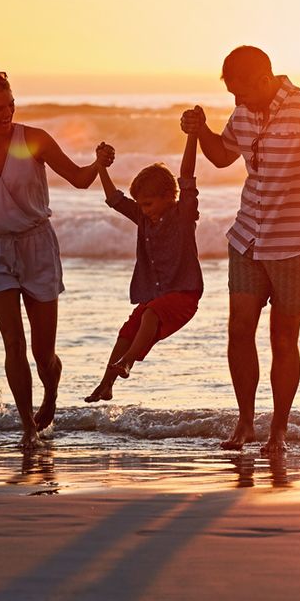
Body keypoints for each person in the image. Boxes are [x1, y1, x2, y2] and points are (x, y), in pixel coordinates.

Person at [180, 46, 300, 455]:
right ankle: (246, 423)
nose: (237, 102)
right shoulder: (244, 111)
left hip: (294, 242)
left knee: (283, 340)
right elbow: (220, 156)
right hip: (247, 236)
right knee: (239, 331)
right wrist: (200, 131)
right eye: (232, 94)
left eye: (242, 92)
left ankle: (278, 431)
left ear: (264, 80)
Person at [0, 70, 113, 447]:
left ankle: (51, 396)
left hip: (36, 246)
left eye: (10, 104)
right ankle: (27, 427)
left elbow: (78, 179)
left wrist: (99, 163)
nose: (6, 112)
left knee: (43, 353)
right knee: (13, 343)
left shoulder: (33, 140)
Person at [84, 131, 202, 403]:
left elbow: (187, 176)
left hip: (184, 296)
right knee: (127, 331)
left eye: (148, 204)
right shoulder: (143, 217)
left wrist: (192, 136)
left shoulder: (182, 214)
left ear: (169, 196)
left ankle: (127, 363)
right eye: (141, 205)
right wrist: (100, 167)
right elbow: (114, 198)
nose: (144, 210)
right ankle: (105, 384)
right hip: (157, 297)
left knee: (150, 313)